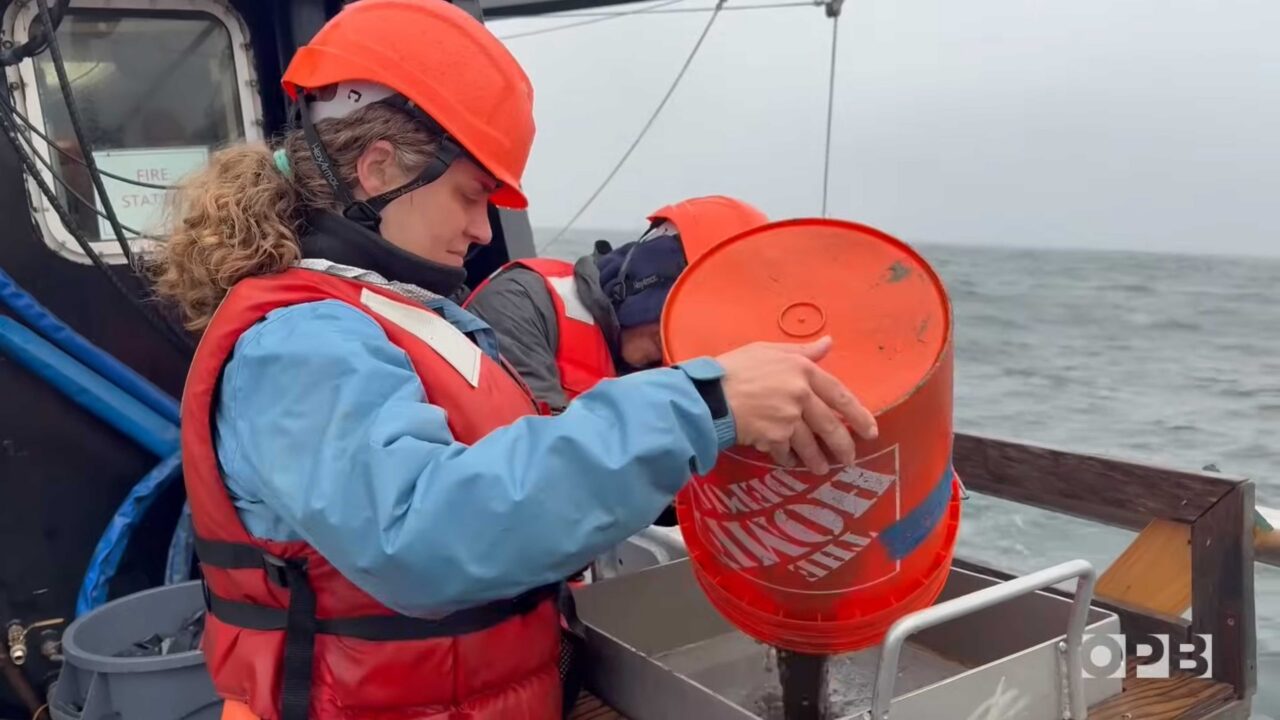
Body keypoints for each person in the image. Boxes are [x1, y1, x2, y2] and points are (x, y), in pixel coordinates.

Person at [152, 2, 878, 719]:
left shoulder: (398, 317)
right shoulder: (302, 342)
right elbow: (419, 535)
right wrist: (701, 407)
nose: (480, 229)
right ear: (377, 170)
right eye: (472, 196)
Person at [464, 196, 768, 413]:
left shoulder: (686, 372)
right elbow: (529, 467)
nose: (681, 337)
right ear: (645, 279)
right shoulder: (521, 302)